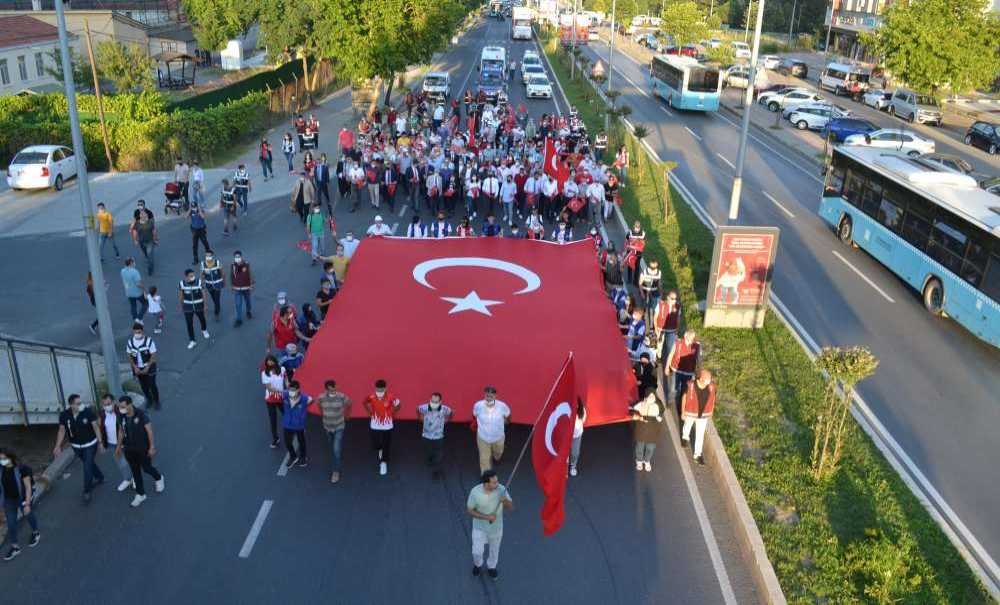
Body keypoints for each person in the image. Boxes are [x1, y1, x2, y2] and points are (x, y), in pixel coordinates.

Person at [53, 393, 105, 502]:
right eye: (78, 403)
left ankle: (87, 491)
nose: (81, 405)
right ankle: (100, 476)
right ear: (71, 405)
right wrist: (58, 446)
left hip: (90, 444)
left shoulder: (87, 412)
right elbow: (62, 430)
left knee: (87, 467)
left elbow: (95, 427)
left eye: (81, 403)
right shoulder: (64, 415)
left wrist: (100, 443)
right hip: (76, 446)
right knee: (89, 463)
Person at [115, 395, 164, 508]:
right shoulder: (120, 416)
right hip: (128, 449)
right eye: (120, 407)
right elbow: (121, 432)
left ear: (130, 404)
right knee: (135, 471)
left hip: (142, 448)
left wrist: (151, 447)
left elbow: (149, 431)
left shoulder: (141, 414)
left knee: (146, 468)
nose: (121, 409)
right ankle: (140, 494)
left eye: (123, 406)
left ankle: (158, 478)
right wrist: (118, 447)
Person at [467, 469, 513, 579]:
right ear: (486, 483)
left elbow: (511, 507)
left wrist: (505, 501)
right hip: (479, 528)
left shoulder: (502, 489)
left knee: (494, 550)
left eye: (497, 481)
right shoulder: (475, 492)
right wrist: (487, 517)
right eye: (494, 482)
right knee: (477, 551)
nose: (497, 484)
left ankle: (491, 567)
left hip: (496, 528)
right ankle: (477, 564)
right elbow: (470, 510)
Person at [0, 449, 40, 561]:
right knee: (11, 523)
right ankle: (15, 547)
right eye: (0, 459)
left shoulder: (22, 469)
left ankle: (35, 532)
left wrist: (27, 503)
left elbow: (27, 487)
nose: (2, 461)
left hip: (22, 497)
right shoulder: (1, 470)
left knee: (28, 514)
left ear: (10, 458)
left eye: (4, 459)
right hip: (9, 500)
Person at [317, 379, 352, 483]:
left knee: (336, 450)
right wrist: (322, 414)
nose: (334, 390)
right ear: (327, 389)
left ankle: (335, 471)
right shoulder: (321, 397)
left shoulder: (342, 397)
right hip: (327, 426)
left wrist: (347, 415)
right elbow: (318, 405)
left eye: (334, 387)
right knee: (332, 446)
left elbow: (349, 403)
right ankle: (336, 457)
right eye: (332, 388)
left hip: (339, 426)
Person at [363, 379, 400, 476]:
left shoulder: (391, 397)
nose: (379, 392)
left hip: (387, 425)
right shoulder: (371, 396)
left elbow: (398, 405)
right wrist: (369, 412)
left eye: (381, 390)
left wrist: (393, 413)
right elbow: (364, 402)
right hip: (375, 423)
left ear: (385, 388)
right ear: (375, 388)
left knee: (386, 443)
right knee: (375, 443)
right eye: (378, 390)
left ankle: (383, 463)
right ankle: (380, 448)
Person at [97, 393, 133, 492]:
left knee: (130, 461)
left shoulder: (120, 411)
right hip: (112, 444)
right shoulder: (102, 414)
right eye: (104, 405)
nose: (107, 406)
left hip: (125, 441)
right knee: (121, 463)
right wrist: (101, 443)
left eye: (109, 403)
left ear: (114, 402)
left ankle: (134, 478)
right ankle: (127, 479)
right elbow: (100, 428)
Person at [472, 386, 510, 474]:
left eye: (491, 396)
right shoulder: (478, 405)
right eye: (487, 396)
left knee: (498, 452)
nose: (489, 398)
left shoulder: (502, 406)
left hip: (498, 436)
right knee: (484, 458)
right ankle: (485, 476)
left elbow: (508, 416)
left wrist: (505, 422)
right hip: (483, 437)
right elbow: (474, 415)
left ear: (495, 396)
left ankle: (497, 457)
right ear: (484, 395)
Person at [682, 369, 716, 465]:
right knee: (688, 425)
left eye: (710, 379)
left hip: (703, 415)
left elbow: (713, 399)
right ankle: (685, 436)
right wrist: (683, 412)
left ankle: (697, 454)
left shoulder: (712, 387)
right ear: (701, 378)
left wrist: (711, 410)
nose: (709, 381)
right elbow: (684, 397)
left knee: (700, 434)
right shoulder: (690, 385)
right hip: (691, 413)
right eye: (707, 379)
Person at [417, 392, 453, 480]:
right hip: (426, 435)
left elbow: (451, 413)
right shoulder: (424, 407)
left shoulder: (445, 409)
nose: (433, 403)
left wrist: (447, 420)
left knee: (438, 454)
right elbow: (417, 409)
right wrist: (420, 418)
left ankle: (436, 472)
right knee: (428, 451)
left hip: (438, 436)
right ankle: (429, 459)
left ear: (440, 401)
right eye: (432, 401)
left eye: (436, 402)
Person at [126, 323, 160, 409]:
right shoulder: (130, 343)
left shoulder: (149, 341)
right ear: (133, 332)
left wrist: (147, 367)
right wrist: (135, 367)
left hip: (149, 367)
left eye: (139, 332)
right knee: (143, 386)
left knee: (152, 384)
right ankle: (149, 400)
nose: (138, 334)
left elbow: (153, 355)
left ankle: (156, 401)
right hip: (138, 368)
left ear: (142, 331)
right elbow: (129, 355)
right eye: (136, 332)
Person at [631, 388, 663, 472]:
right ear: (646, 396)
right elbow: (631, 409)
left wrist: (659, 417)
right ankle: (639, 461)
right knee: (639, 448)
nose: (651, 397)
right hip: (641, 430)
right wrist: (637, 416)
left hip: (653, 431)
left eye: (653, 395)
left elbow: (661, 413)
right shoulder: (641, 403)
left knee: (650, 448)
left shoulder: (658, 405)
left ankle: (647, 460)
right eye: (649, 395)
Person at [665, 329, 701, 406]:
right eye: (690, 338)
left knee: (685, 391)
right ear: (685, 336)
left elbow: (698, 360)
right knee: (673, 389)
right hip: (677, 370)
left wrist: (699, 371)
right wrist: (667, 367)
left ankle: (680, 405)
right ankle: (670, 402)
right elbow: (671, 355)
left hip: (688, 373)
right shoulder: (678, 343)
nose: (692, 340)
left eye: (693, 338)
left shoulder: (697, 346)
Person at [281, 380, 311, 468]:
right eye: (290, 389)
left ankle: (303, 457)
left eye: (293, 390)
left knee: (301, 441)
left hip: (299, 425)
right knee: (287, 442)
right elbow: (277, 392)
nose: (291, 392)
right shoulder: (285, 395)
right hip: (287, 424)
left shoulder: (305, 398)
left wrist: (302, 417)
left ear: (298, 390)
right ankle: (293, 456)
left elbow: (311, 400)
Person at [179, 269, 210, 350]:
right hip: (188, 307)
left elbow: (204, 293)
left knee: (202, 319)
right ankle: (192, 340)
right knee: (189, 323)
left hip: (198, 305)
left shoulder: (199, 282)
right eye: (191, 276)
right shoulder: (182, 284)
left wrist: (205, 304)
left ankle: (204, 330)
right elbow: (181, 295)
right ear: (186, 277)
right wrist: (181, 306)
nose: (193, 277)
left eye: (193, 275)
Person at [260, 355, 287, 448]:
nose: (270, 363)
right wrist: (283, 391)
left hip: (281, 398)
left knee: (287, 414)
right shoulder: (264, 373)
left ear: (275, 361)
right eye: (268, 361)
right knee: (273, 419)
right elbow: (269, 388)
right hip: (270, 399)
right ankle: (275, 438)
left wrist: (288, 387)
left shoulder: (282, 369)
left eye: (271, 361)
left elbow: (286, 380)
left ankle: (296, 428)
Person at [653, 289, 682, 364]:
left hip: (672, 330)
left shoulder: (678, 306)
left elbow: (678, 318)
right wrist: (656, 329)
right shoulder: (660, 305)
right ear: (668, 297)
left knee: (671, 347)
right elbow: (655, 317)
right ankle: (659, 358)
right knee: (659, 345)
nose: (674, 301)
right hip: (661, 329)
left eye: (676, 299)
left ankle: (669, 362)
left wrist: (677, 330)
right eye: (672, 299)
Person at [230, 251, 254, 327]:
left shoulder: (246, 264)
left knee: (248, 302)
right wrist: (232, 285)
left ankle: (248, 311)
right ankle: (239, 319)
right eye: (235, 257)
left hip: (246, 287)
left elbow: (250, 274)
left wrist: (251, 284)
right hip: (237, 288)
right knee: (238, 304)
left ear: (241, 257)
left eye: (238, 257)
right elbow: (232, 275)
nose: (237, 258)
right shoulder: (233, 265)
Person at [130, 210, 157, 275]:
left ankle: (150, 268)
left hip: (150, 242)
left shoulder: (150, 222)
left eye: (145, 215)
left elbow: (154, 230)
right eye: (142, 215)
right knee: (145, 253)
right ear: (140, 216)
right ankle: (147, 257)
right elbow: (134, 232)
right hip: (141, 242)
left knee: (150, 256)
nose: (144, 216)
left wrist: (155, 239)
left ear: (147, 215)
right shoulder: (137, 223)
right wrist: (135, 240)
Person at [200, 252, 225, 321]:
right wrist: (202, 283)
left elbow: (222, 273)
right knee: (213, 298)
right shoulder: (203, 264)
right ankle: (217, 306)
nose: (208, 257)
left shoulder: (217, 263)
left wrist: (223, 282)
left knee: (217, 298)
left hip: (218, 284)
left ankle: (216, 311)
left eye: (209, 256)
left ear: (212, 256)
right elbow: (202, 274)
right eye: (206, 256)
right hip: (209, 285)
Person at [569, 400, 587, 477]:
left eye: (576, 405)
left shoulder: (582, 411)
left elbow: (583, 420)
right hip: (566, 436)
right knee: (563, 452)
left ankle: (573, 465)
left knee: (575, 452)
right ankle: (563, 466)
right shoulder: (566, 410)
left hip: (576, 436)